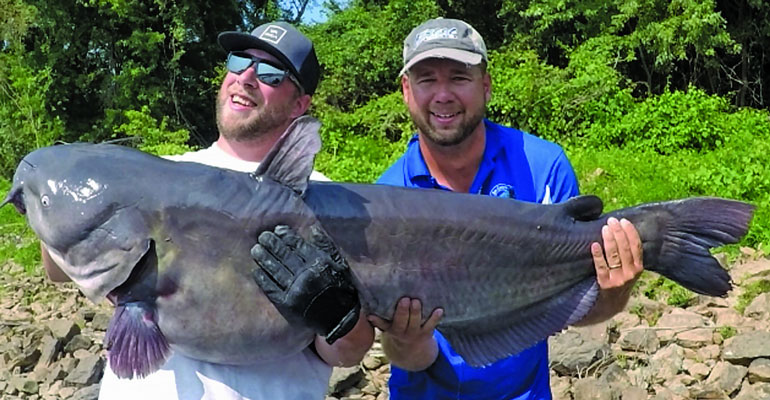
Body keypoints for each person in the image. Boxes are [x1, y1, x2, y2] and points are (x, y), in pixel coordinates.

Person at [40, 21, 374, 400]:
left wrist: (337, 315)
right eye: (239, 61)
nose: (246, 77)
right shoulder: (159, 174)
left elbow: (347, 352)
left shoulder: (330, 204)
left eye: (270, 73)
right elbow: (58, 270)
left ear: (300, 104)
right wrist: (58, 201)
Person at [360, 18, 644, 399]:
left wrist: (614, 292)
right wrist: (405, 340)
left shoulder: (543, 167)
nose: (443, 95)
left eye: (459, 77)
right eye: (427, 79)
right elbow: (406, 358)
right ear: (406, 91)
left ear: (486, 86)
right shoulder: (383, 201)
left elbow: (576, 313)